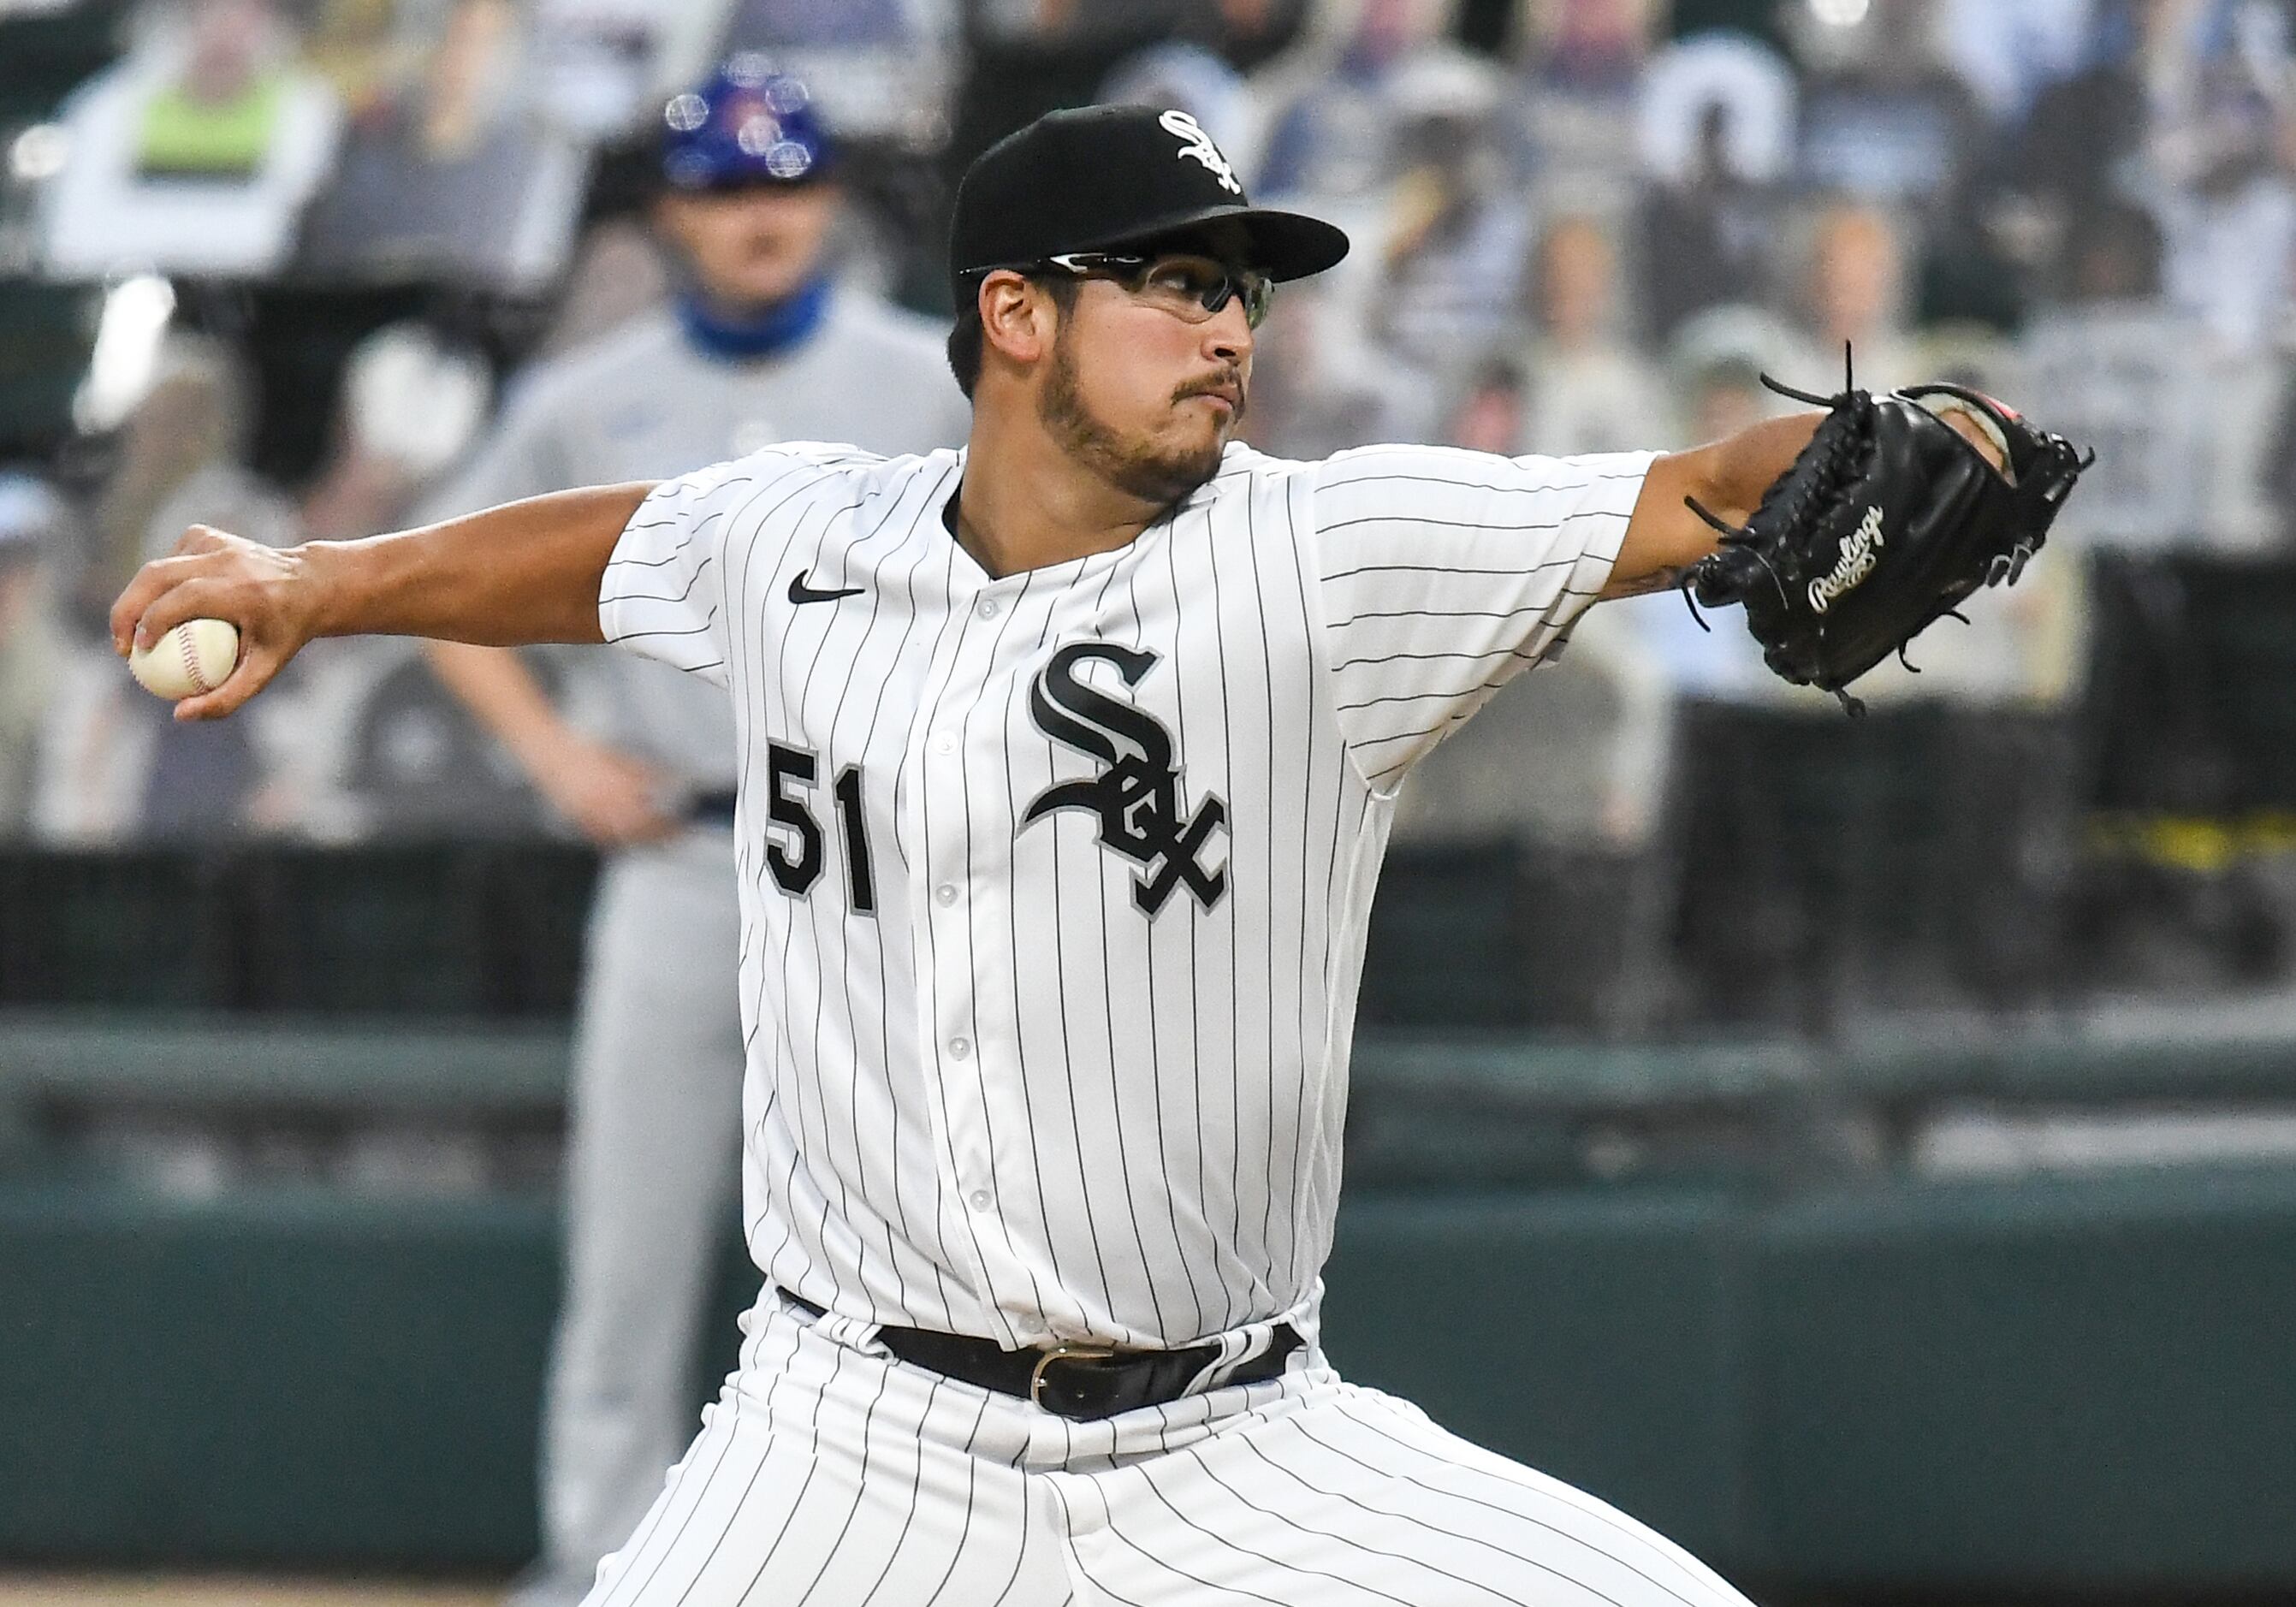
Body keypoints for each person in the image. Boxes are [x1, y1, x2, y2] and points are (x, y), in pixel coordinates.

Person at [115, 104, 2016, 1605]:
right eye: (1174, 284)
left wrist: (1948, 434)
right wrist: (324, 579)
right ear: (1013, 313)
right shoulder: (794, 535)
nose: (1227, 333)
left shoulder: (1330, 559)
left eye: (1242, 296)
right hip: (843, 1447)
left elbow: (1696, 492)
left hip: (1239, 1453)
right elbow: (603, 549)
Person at [415, 60, 966, 1607]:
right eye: (728, 189)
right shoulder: (588, 399)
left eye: (787, 181)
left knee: (924, 1245)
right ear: (673, 217)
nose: (762, 213)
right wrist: (552, 754)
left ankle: (913, 1563)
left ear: (833, 198)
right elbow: (448, 592)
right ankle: (605, 1563)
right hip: (677, 858)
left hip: (886, 868)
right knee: (632, 1246)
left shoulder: (923, 381)